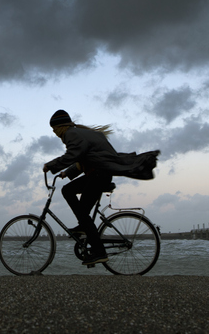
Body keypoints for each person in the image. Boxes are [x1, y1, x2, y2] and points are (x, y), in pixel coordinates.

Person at [42, 109, 159, 266]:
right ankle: (84, 227)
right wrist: (66, 173)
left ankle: (99, 252)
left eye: (54, 129)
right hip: (99, 174)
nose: (54, 132)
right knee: (70, 195)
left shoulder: (72, 134)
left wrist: (51, 165)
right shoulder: (81, 133)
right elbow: (85, 158)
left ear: (61, 126)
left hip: (98, 175)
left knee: (79, 208)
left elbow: (74, 155)